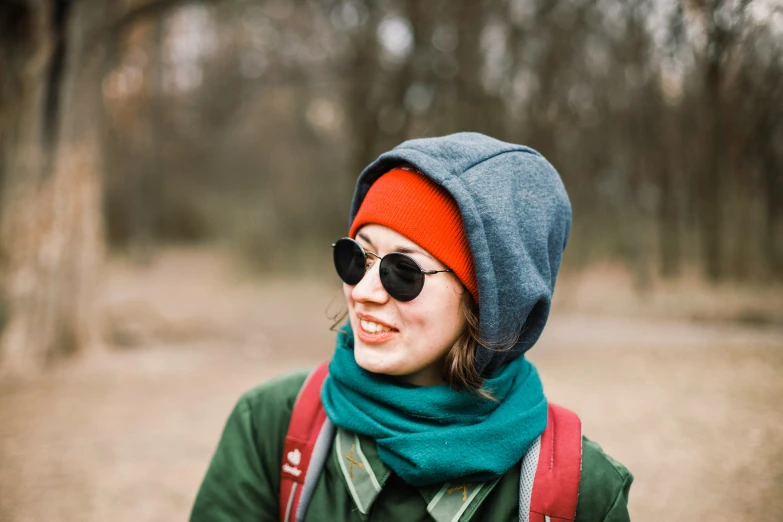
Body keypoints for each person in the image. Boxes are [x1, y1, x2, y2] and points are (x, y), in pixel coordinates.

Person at [189, 133, 633, 522]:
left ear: (489, 302)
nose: (363, 291)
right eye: (356, 257)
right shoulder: (271, 428)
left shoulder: (580, 492)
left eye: (403, 272)